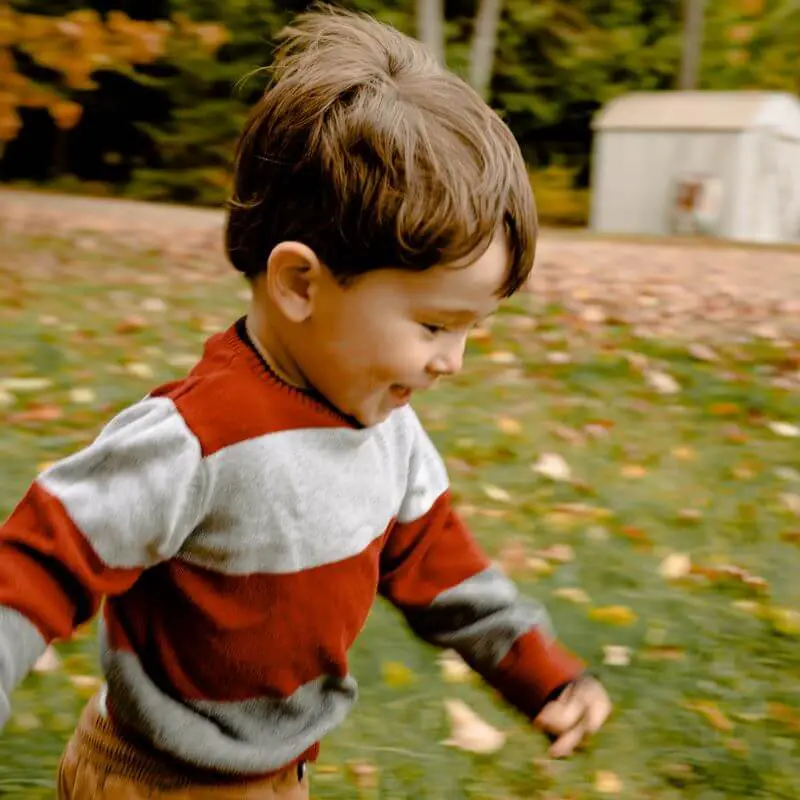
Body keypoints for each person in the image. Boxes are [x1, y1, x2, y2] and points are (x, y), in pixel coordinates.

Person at [0, 6, 610, 798]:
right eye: (433, 324)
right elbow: (43, 559)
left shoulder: (388, 431)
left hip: (280, 773)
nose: (452, 361)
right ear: (299, 283)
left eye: (472, 331)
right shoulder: (197, 439)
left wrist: (542, 674)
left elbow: (437, 564)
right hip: (154, 780)